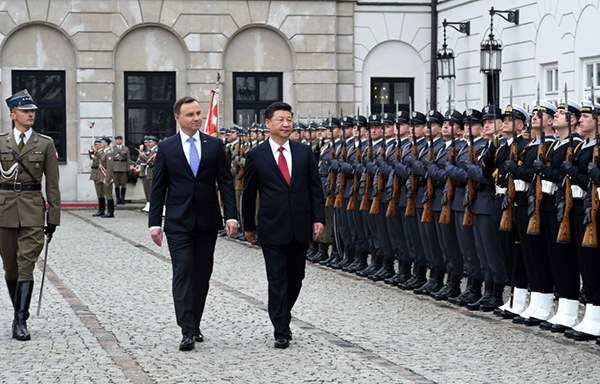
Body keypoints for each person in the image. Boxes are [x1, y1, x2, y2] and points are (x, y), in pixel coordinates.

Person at [149, 96, 238, 351]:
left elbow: (226, 182)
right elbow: (158, 188)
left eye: (198, 113)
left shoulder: (214, 145)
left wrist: (231, 215)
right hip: (177, 222)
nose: (197, 118)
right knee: (183, 272)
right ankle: (186, 329)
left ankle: (195, 322)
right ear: (178, 118)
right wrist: (154, 223)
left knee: (201, 276)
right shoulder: (167, 147)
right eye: (190, 114)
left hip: (207, 222)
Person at [242, 102, 325, 349]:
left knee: (296, 278)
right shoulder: (256, 155)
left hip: (300, 226)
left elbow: (315, 188)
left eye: (289, 119)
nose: (287, 124)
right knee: (277, 279)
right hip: (272, 227)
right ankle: (281, 329)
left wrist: (318, 217)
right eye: (281, 119)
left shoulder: (303, 152)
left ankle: (282, 313)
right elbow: (248, 194)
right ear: (268, 124)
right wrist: (249, 225)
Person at [1, 89, 61, 341]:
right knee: (10, 267)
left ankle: (19, 321)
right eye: (26, 111)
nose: (31, 114)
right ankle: (18, 313)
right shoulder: (1, 142)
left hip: (33, 210)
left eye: (33, 111)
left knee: (26, 265)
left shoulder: (45, 143)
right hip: (4, 211)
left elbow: (53, 184)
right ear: (13, 114)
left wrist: (53, 218)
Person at [112, 135, 130, 205]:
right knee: (116, 184)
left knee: (123, 184)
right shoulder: (113, 149)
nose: (118, 141)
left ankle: (122, 198)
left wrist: (128, 169)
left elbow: (128, 159)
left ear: (122, 140)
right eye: (117, 140)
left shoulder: (125, 149)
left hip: (123, 167)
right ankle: (117, 198)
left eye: (120, 140)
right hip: (115, 167)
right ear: (115, 141)